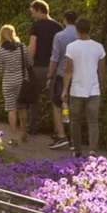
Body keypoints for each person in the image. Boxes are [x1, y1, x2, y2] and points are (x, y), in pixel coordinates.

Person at [61, 18, 105, 157]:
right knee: (93, 122)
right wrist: (101, 86)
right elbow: (102, 71)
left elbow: (69, 70)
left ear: (77, 30)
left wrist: (65, 89)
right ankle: (93, 150)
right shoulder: (98, 47)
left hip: (76, 90)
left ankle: (77, 149)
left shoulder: (71, 47)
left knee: (75, 121)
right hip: (94, 90)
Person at [27, 0, 62, 138]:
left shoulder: (36, 26)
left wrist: (28, 63)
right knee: (55, 101)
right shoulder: (58, 26)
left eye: (33, 12)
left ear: (39, 10)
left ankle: (33, 127)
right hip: (53, 67)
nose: (32, 15)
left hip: (37, 67)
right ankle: (58, 130)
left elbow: (32, 46)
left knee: (34, 99)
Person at [46, 10, 79, 150]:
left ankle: (61, 135)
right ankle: (74, 138)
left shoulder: (60, 36)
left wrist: (50, 75)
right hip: (79, 75)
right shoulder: (81, 35)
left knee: (57, 104)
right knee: (75, 106)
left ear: (64, 20)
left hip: (62, 74)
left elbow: (55, 57)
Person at [0, 24, 30, 145]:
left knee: (11, 109)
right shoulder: (22, 47)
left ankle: (14, 137)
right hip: (22, 81)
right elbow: (29, 62)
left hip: (8, 82)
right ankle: (24, 132)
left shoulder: (1, 51)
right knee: (22, 108)